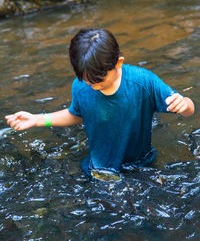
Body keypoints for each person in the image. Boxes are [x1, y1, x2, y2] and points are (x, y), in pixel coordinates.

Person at [5, 29, 195, 177]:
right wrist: (38, 120)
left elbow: (190, 110)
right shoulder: (80, 86)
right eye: (87, 80)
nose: (93, 86)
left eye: (98, 80)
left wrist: (185, 105)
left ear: (118, 63)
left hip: (140, 167)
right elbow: (78, 115)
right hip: (99, 169)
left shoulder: (143, 82)